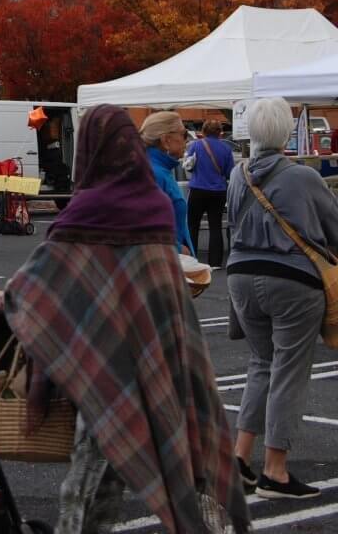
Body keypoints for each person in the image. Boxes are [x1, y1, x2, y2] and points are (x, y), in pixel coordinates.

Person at [2, 105, 250, 534]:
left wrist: (0, 301)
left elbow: (37, 287)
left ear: (90, 150)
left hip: (99, 365)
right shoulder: (153, 204)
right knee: (143, 476)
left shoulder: (84, 211)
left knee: (84, 489)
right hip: (157, 354)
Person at [227, 97, 338, 500]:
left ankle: (239, 458)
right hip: (291, 279)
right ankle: (275, 470)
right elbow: (333, 227)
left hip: (241, 275)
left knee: (261, 363)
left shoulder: (238, 175)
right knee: (289, 369)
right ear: (287, 131)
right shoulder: (303, 177)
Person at [139, 112, 195, 254]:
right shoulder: (153, 174)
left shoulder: (158, 170)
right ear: (166, 140)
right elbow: (143, 229)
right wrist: (178, 249)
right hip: (165, 265)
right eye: (184, 134)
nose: (186, 140)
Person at [185, 120, 235, 267]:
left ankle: (192, 260)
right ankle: (215, 262)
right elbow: (229, 172)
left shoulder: (195, 145)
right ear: (220, 132)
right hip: (218, 191)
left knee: (192, 225)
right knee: (215, 225)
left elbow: (188, 166)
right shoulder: (226, 149)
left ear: (204, 131)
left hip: (197, 188)